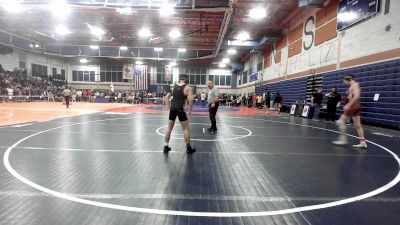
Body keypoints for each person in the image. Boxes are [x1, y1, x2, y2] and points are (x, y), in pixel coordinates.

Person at [163, 75, 196, 154]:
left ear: (179, 80)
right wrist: (189, 110)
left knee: (169, 128)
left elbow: (167, 97)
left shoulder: (173, 87)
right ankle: (188, 148)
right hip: (180, 109)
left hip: (173, 109)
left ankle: (165, 146)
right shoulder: (187, 88)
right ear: (186, 80)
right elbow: (191, 99)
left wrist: (169, 107)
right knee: (185, 129)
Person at [333, 74, 367, 149]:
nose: (344, 83)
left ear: (348, 79)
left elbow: (357, 96)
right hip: (356, 105)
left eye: (344, 81)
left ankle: (343, 139)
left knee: (341, 121)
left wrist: (349, 104)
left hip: (353, 105)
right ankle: (363, 142)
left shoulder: (354, 85)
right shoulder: (353, 86)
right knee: (357, 125)